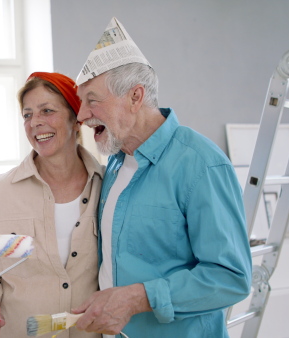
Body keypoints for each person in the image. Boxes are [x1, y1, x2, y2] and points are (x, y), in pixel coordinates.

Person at [71, 18, 253, 338]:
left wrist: (135, 299)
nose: (82, 115)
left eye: (92, 100)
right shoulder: (113, 166)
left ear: (135, 96)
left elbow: (231, 278)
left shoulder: (201, 166)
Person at [0, 72, 104, 338]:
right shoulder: (3, 191)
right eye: (28, 115)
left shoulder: (106, 186)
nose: (36, 123)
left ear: (75, 119)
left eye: (47, 111)